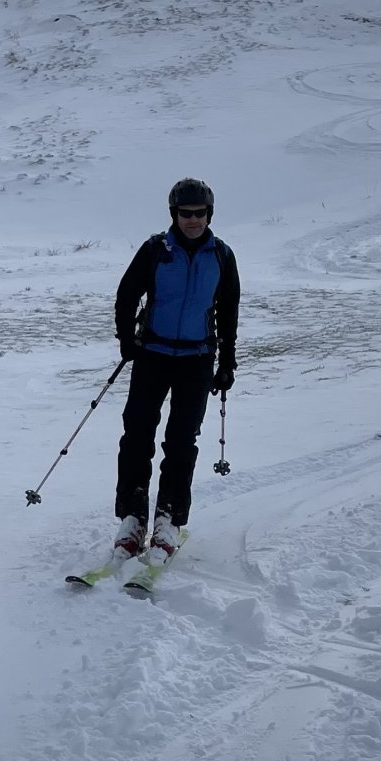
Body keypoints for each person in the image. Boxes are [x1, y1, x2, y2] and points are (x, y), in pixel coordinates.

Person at [110, 177, 239, 562]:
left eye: (200, 213)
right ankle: (133, 518)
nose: (193, 220)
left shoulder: (222, 256)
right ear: (174, 214)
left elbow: (228, 312)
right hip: (153, 355)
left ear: (209, 214)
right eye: (186, 213)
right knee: (137, 435)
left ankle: (169, 520)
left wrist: (227, 362)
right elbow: (126, 294)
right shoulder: (155, 250)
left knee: (181, 442)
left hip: (196, 361)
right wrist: (127, 339)